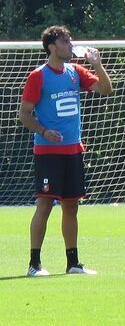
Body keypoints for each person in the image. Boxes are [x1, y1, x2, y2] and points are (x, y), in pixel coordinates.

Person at [19, 26, 113, 277]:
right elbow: (24, 114)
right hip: (48, 153)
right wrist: (43, 131)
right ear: (52, 46)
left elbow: (106, 90)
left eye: (70, 40)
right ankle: (34, 264)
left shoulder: (75, 72)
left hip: (73, 151)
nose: (70, 45)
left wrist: (98, 65)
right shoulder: (38, 76)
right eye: (65, 41)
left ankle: (73, 263)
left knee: (71, 207)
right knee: (45, 205)